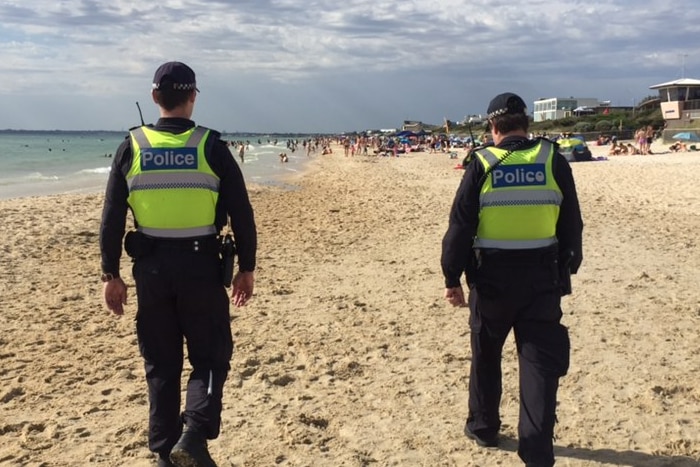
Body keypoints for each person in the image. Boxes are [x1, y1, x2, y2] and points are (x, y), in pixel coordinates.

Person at [99, 61, 257, 467]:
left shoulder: (131, 147)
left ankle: (165, 454)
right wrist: (247, 267)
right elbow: (242, 212)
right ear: (193, 97)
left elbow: (112, 217)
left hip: (151, 270)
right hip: (201, 268)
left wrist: (111, 274)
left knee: (161, 365)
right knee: (210, 357)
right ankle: (193, 434)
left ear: (155, 98)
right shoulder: (211, 147)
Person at [441, 92, 583, 467]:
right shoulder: (551, 158)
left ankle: (484, 426)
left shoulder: (482, 162)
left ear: (492, 127)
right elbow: (572, 221)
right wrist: (569, 265)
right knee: (538, 365)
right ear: (526, 123)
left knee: (486, 354)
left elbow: (460, 226)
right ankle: (536, 450)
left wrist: (451, 277)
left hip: (491, 281)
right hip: (542, 278)